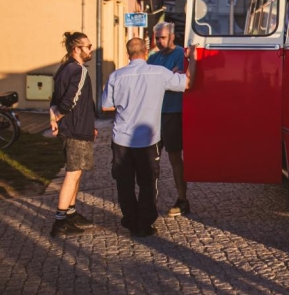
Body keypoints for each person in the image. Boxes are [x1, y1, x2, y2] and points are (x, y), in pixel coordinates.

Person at [101, 38, 191, 237]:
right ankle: (145, 224)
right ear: (146, 52)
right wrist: (191, 59)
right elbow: (187, 83)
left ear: (127, 54)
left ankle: (131, 222)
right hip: (147, 139)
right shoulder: (159, 73)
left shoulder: (117, 76)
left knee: (124, 183)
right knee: (148, 183)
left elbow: (106, 106)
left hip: (122, 139)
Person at [49, 32, 98, 237]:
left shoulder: (63, 68)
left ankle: (71, 213)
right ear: (76, 49)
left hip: (77, 127)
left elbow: (54, 98)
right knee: (73, 174)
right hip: (75, 129)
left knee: (76, 172)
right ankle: (60, 223)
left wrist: (53, 116)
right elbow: (70, 100)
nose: (90, 49)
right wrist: (57, 116)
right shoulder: (78, 71)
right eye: (87, 46)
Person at [147, 21, 190, 217]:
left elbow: (180, 82)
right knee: (150, 159)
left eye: (162, 37)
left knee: (174, 158)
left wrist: (165, 80)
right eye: (156, 38)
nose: (159, 41)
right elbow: (148, 82)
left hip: (173, 112)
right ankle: (149, 201)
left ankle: (182, 199)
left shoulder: (181, 54)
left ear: (172, 37)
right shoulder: (153, 58)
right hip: (153, 114)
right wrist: (167, 77)